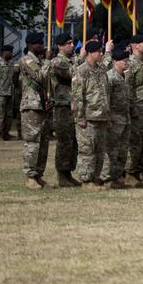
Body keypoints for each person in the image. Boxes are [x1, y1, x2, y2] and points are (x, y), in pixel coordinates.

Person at [72, 40, 110, 191]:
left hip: (101, 116)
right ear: (89, 53)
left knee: (100, 151)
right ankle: (86, 181)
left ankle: (95, 178)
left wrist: (108, 115)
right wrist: (80, 117)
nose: (101, 54)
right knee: (87, 150)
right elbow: (77, 96)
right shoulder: (81, 71)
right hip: (88, 117)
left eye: (102, 51)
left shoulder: (101, 70)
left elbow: (106, 93)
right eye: (98, 52)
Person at [19, 33, 51, 190]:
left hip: (42, 106)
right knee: (32, 143)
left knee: (43, 143)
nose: (42, 45)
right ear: (31, 45)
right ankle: (30, 177)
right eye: (38, 43)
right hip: (31, 106)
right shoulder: (27, 60)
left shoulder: (40, 61)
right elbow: (40, 77)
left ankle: (38, 175)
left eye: (42, 42)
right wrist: (48, 61)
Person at [123, 34, 143, 187]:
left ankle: (139, 172)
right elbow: (127, 89)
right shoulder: (131, 64)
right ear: (135, 46)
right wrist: (132, 109)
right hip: (136, 110)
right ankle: (129, 173)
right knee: (134, 143)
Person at [49, 33, 79, 187]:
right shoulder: (57, 62)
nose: (72, 45)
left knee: (74, 141)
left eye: (72, 42)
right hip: (63, 106)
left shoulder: (72, 60)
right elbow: (74, 74)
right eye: (68, 43)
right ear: (60, 46)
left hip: (74, 105)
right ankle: (62, 174)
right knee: (64, 141)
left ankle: (69, 172)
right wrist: (83, 58)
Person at [105, 48, 131, 189]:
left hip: (125, 118)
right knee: (112, 150)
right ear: (115, 61)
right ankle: (109, 178)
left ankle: (118, 177)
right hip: (114, 119)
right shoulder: (110, 77)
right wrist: (108, 118)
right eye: (124, 61)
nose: (127, 63)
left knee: (123, 150)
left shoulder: (125, 77)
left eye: (128, 60)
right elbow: (106, 100)